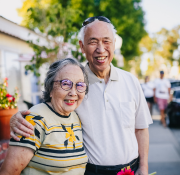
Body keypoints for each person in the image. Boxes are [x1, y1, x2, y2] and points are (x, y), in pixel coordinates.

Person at [9, 16, 153, 175]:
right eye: (93, 42)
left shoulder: (131, 81)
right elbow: (48, 110)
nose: (100, 49)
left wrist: (144, 167)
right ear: (82, 47)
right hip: (91, 172)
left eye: (106, 41)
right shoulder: (74, 85)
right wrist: (17, 118)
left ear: (114, 44)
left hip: (130, 170)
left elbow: (141, 129)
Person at [0, 58, 89, 175]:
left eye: (80, 85)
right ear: (50, 88)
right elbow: (8, 172)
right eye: (65, 84)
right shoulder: (35, 120)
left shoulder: (75, 117)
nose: (73, 92)